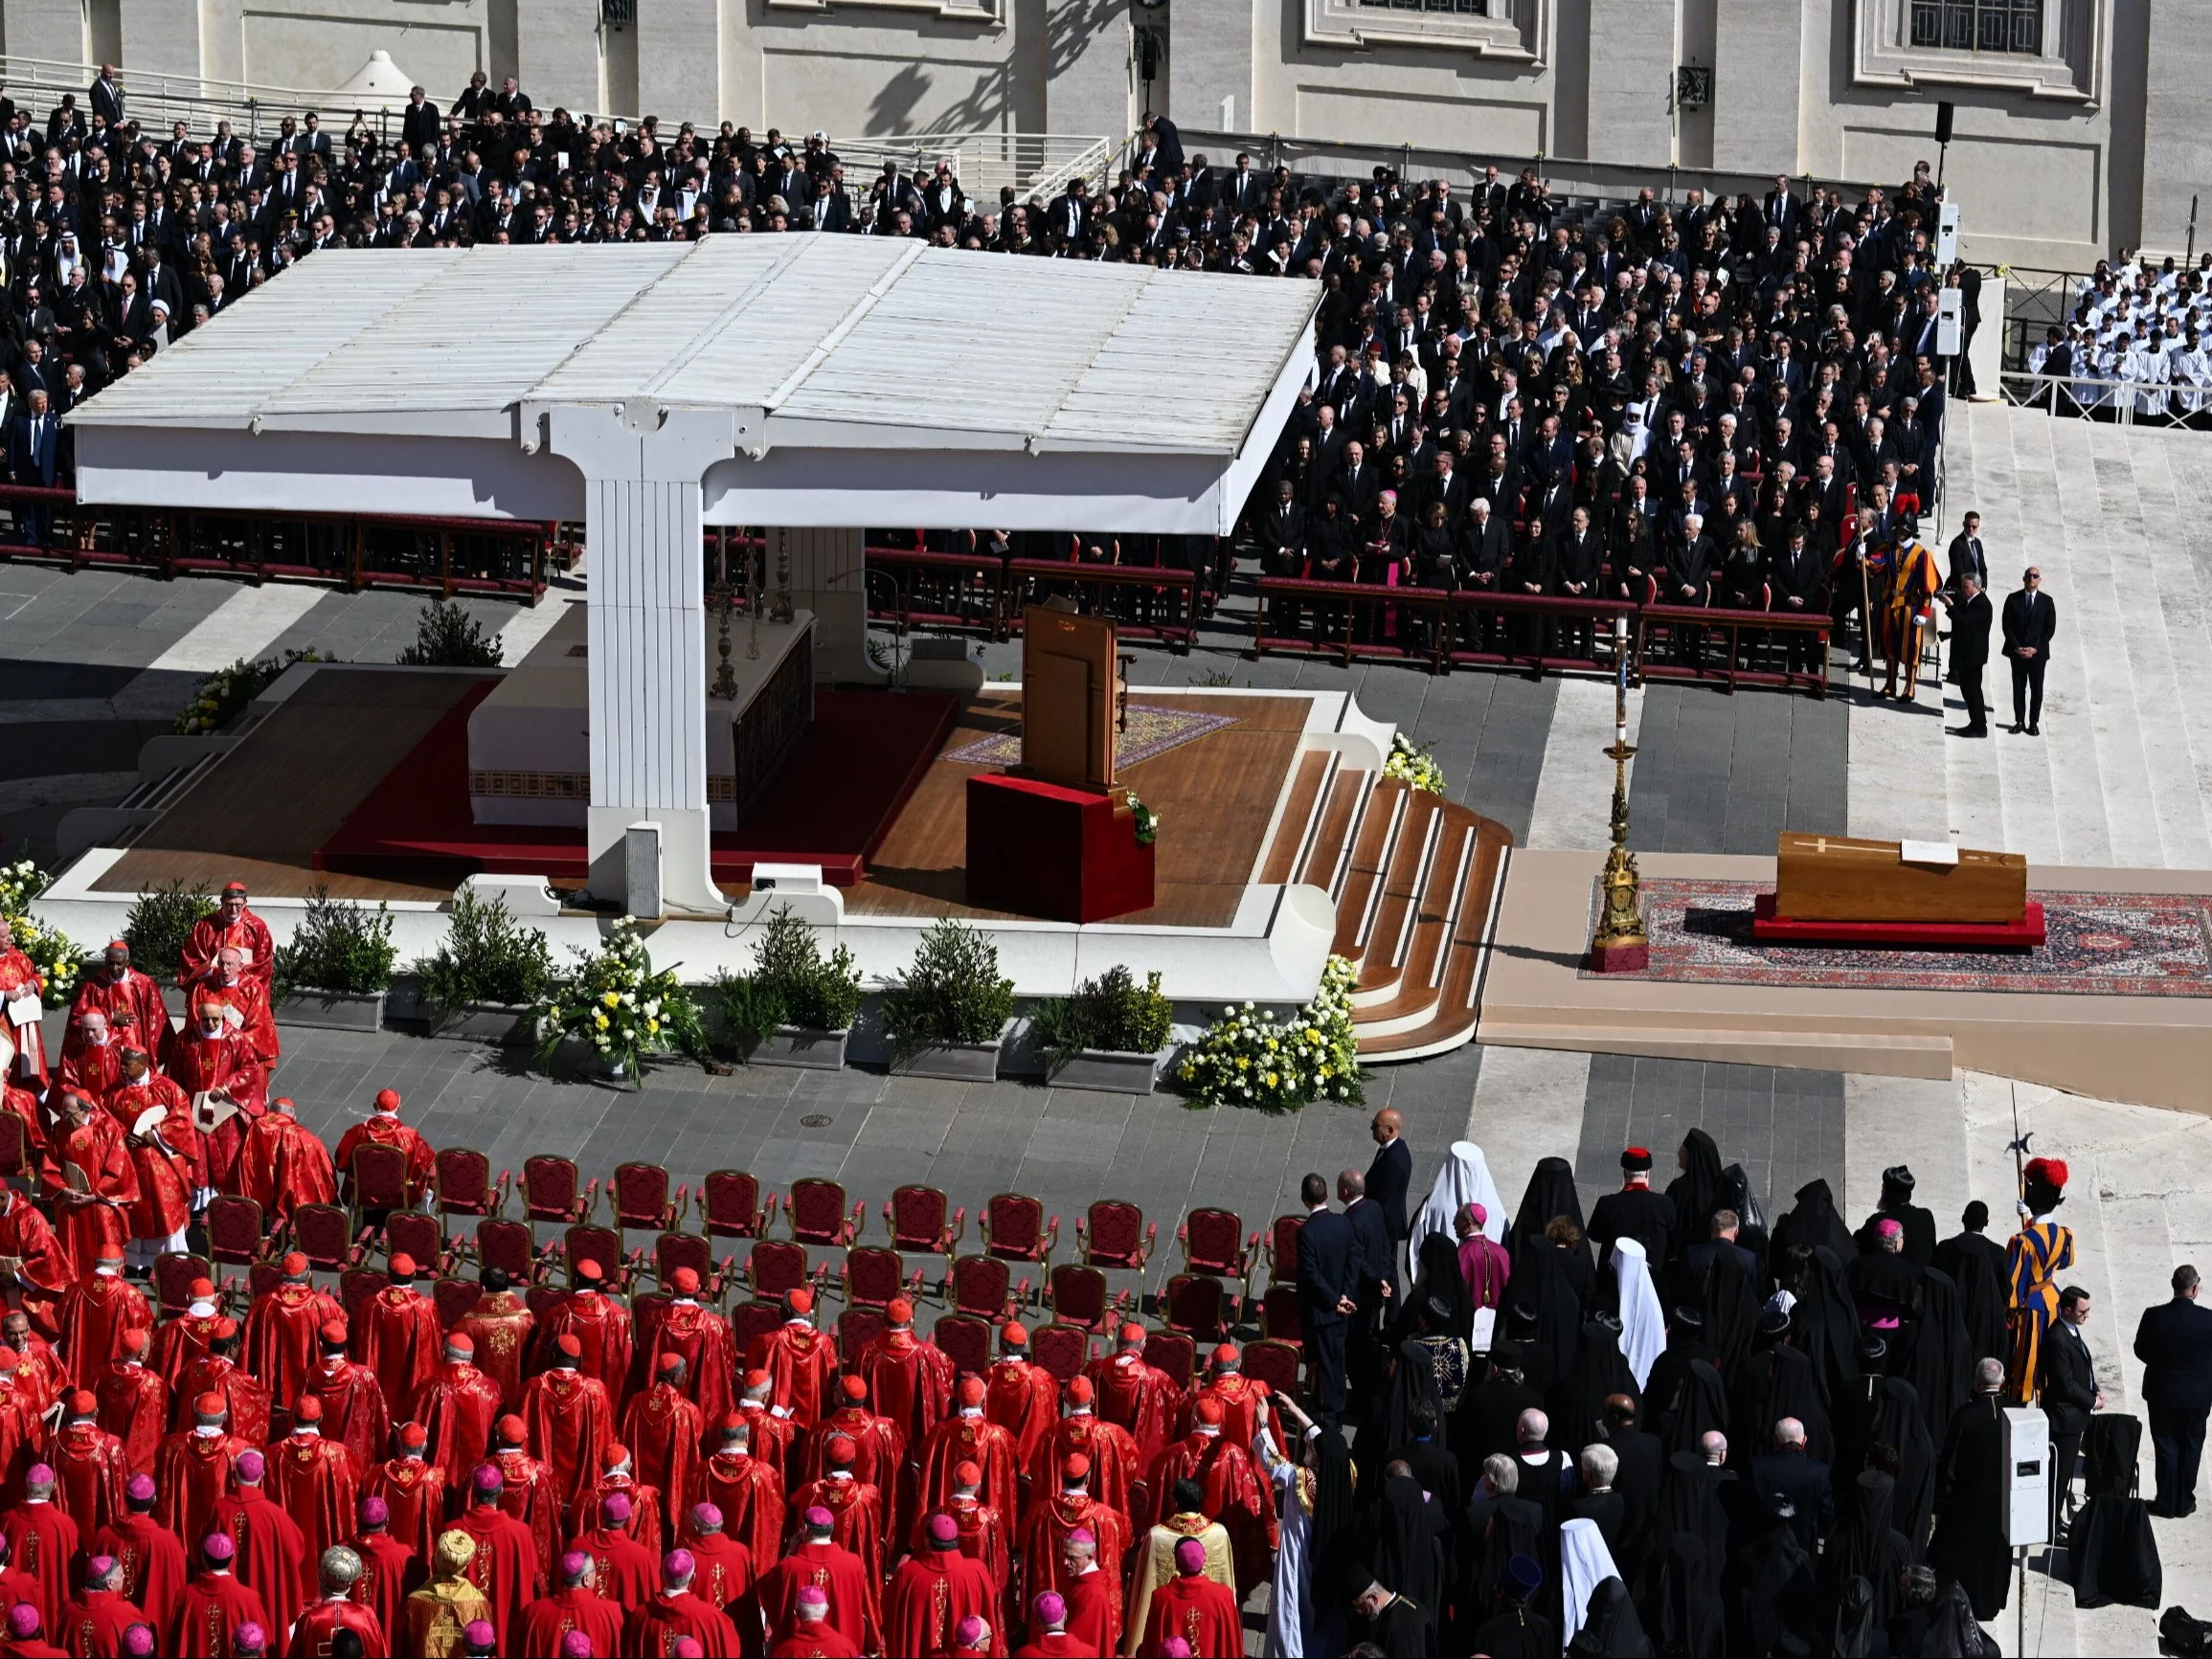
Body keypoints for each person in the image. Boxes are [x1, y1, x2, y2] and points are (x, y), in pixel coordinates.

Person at [2135, 1263, 2212, 1516]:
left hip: (2163, 1392)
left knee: (2166, 1445)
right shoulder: (2208, 1320)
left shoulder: (2153, 1315)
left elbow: (2140, 1349)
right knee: (2192, 1445)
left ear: (2174, 1286)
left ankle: (2167, 1502)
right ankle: (2185, 1500)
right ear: (2195, 1289)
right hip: (2197, 1396)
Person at [1293, 1175, 1357, 1429]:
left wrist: (1333, 1301)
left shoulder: (1307, 1233)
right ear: (1327, 1195)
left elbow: (1311, 1276)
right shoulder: (1343, 1223)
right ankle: (1336, 1412)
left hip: (1321, 1313)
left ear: (1304, 1199)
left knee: (1323, 1368)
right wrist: (1346, 1296)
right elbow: (1354, 1261)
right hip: (1342, 1309)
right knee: (1338, 1362)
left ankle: (1327, 1418)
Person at [2039, 1285, 2103, 1531]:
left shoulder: (2071, 1331)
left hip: (2074, 1418)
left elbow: (2082, 1368)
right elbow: (2065, 1383)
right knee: (2059, 1476)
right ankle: (2051, 1526)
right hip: (2063, 1419)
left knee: (2063, 1476)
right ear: (2066, 1310)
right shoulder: (2057, 1338)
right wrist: (2091, 1401)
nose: (2087, 1315)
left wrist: (2094, 1388)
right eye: (2082, 1311)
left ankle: (2056, 1520)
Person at [2002, 565, 2056, 735]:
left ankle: (2033, 722)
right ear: (2024, 578)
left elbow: (2049, 629)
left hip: (2037, 655)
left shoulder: (2047, 602)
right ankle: (2019, 720)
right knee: (2018, 688)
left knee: (2036, 689)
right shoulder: (2013, 599)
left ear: (2040, 580)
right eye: (2029, 576)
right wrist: (2017, 647)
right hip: (2018, 653)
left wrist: (2035, 648)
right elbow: (2006, 625)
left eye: (2035, 576)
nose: (2031, 579)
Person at [1943, 572, 1993, 736]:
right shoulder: (1970, 601)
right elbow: (1960, 621)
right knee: (1967, 690)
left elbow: (1964, 622)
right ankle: (1976, 723)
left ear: (1976, 587)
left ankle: (1980, 727)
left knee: (1973, 691)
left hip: (1973, 655)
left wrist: (1950, 605)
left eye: (1966, 587)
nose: (1963, 590)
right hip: (1965, 654)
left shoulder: (1982, 604)